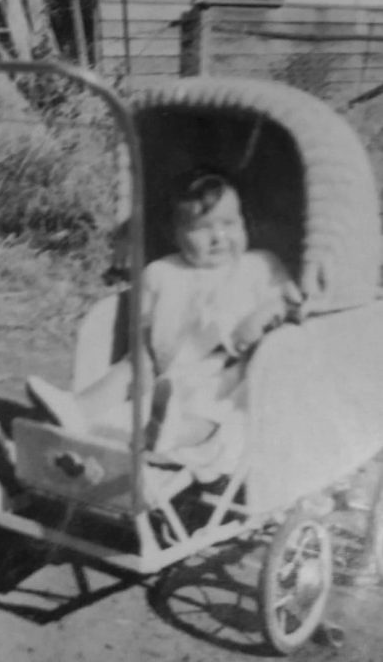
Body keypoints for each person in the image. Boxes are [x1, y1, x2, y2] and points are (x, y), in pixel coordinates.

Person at [27, 169, 300, 478]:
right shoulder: (161, 273)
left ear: (244, 222)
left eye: (229, 223)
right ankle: (77, 409)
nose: (219, 237)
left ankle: (172, 434)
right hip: (165, 368)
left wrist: (265, 314)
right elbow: (145, 326)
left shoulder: (258, 266)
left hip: (228, 368)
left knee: (217, 408)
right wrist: (142, 359)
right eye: (201, 228)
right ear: (175, 234)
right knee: (129, 369)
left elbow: (290, 301)